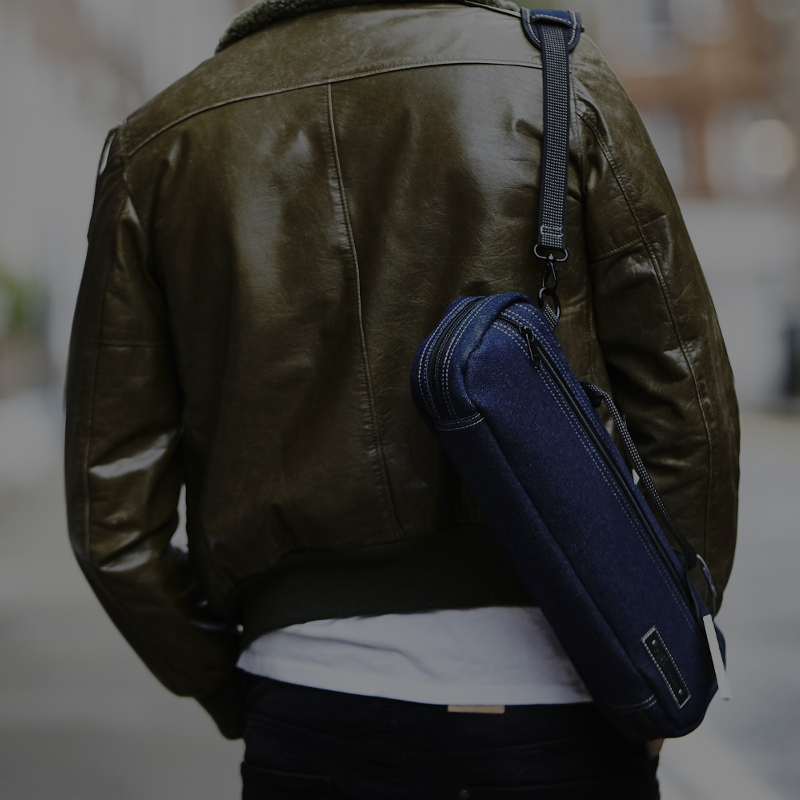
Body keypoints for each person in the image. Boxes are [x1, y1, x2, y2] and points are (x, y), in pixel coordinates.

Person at [65, 1, 739, 798]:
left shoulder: (158, 144)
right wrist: (659, 650)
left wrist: (231, 679)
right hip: (561, 692)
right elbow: (687, 398)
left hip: (306, 694)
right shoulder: (553, 76)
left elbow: (111, 517)